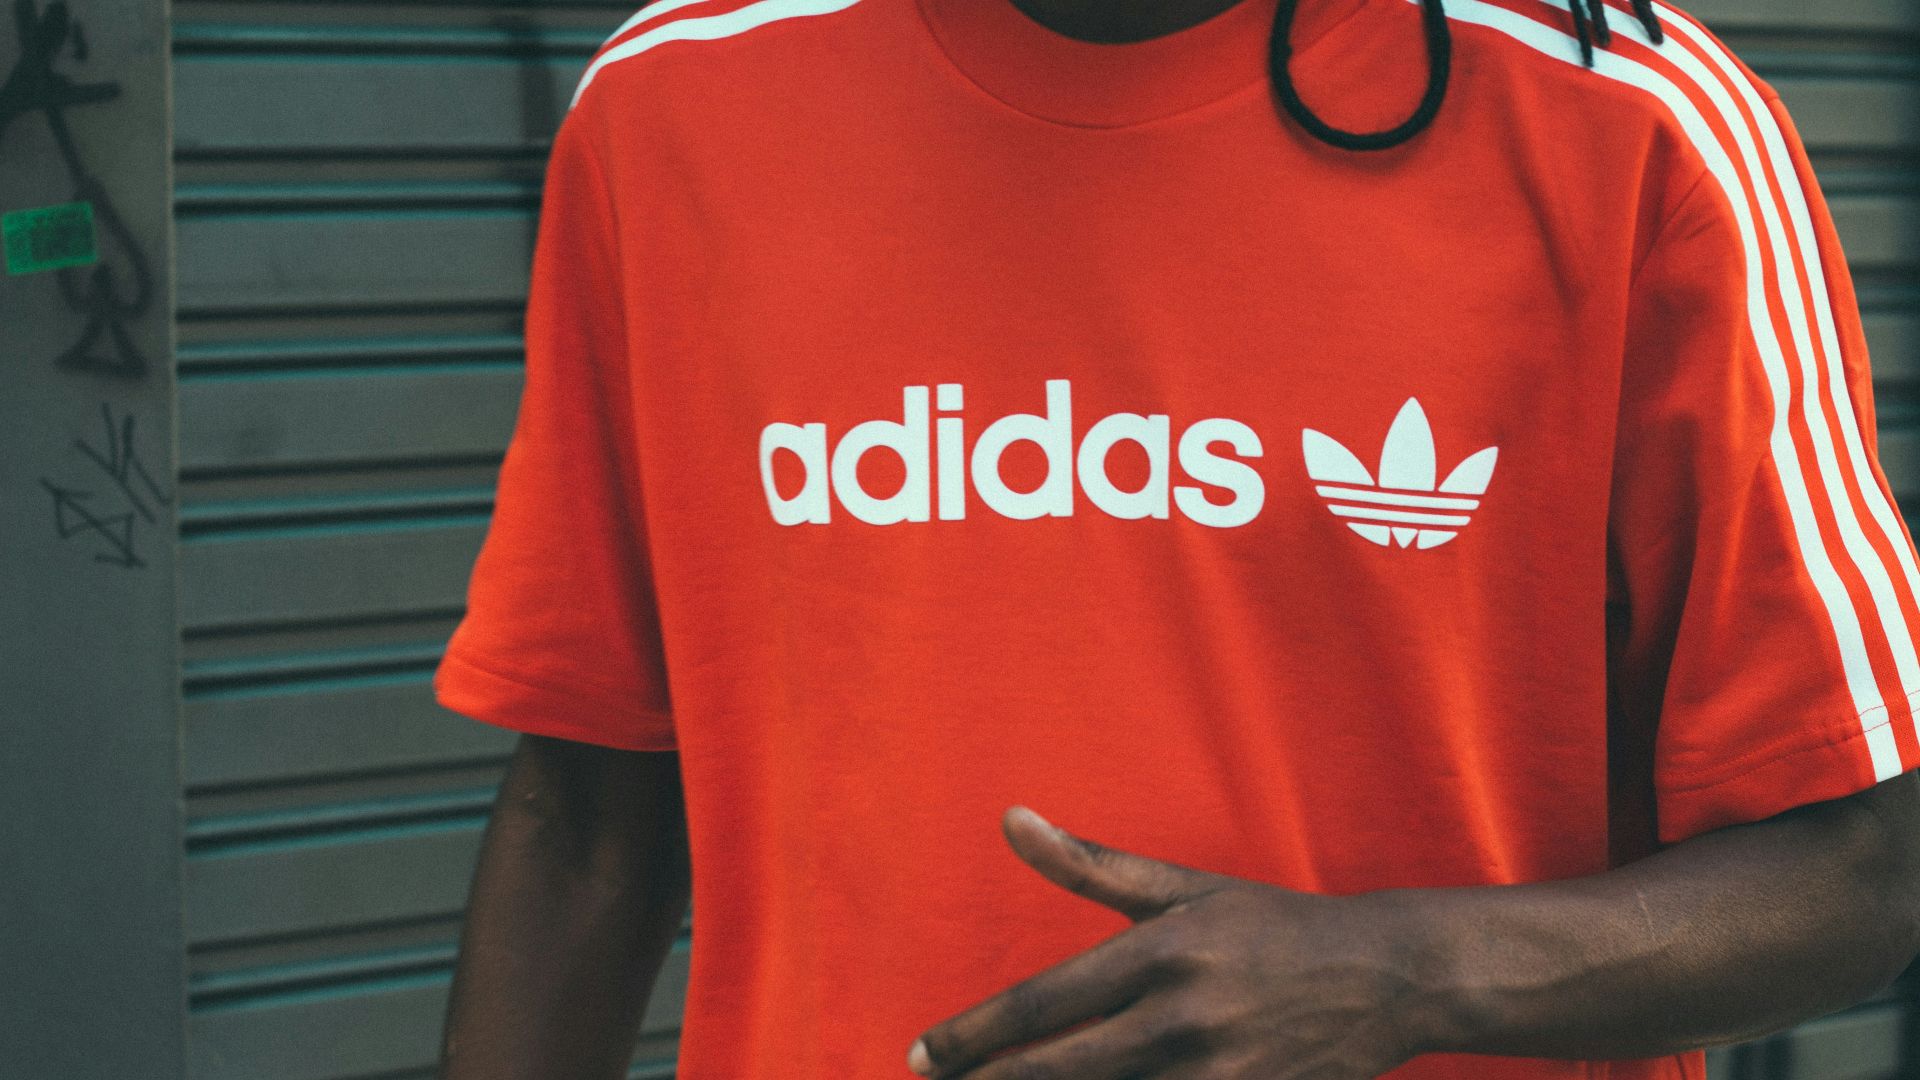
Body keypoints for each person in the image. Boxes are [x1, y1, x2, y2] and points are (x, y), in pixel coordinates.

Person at [430, 0, 1920, 1075]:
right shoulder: (677, 102)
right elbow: (584, 825)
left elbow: (1867, 867)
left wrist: (1409, 973)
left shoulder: (1631, 122)